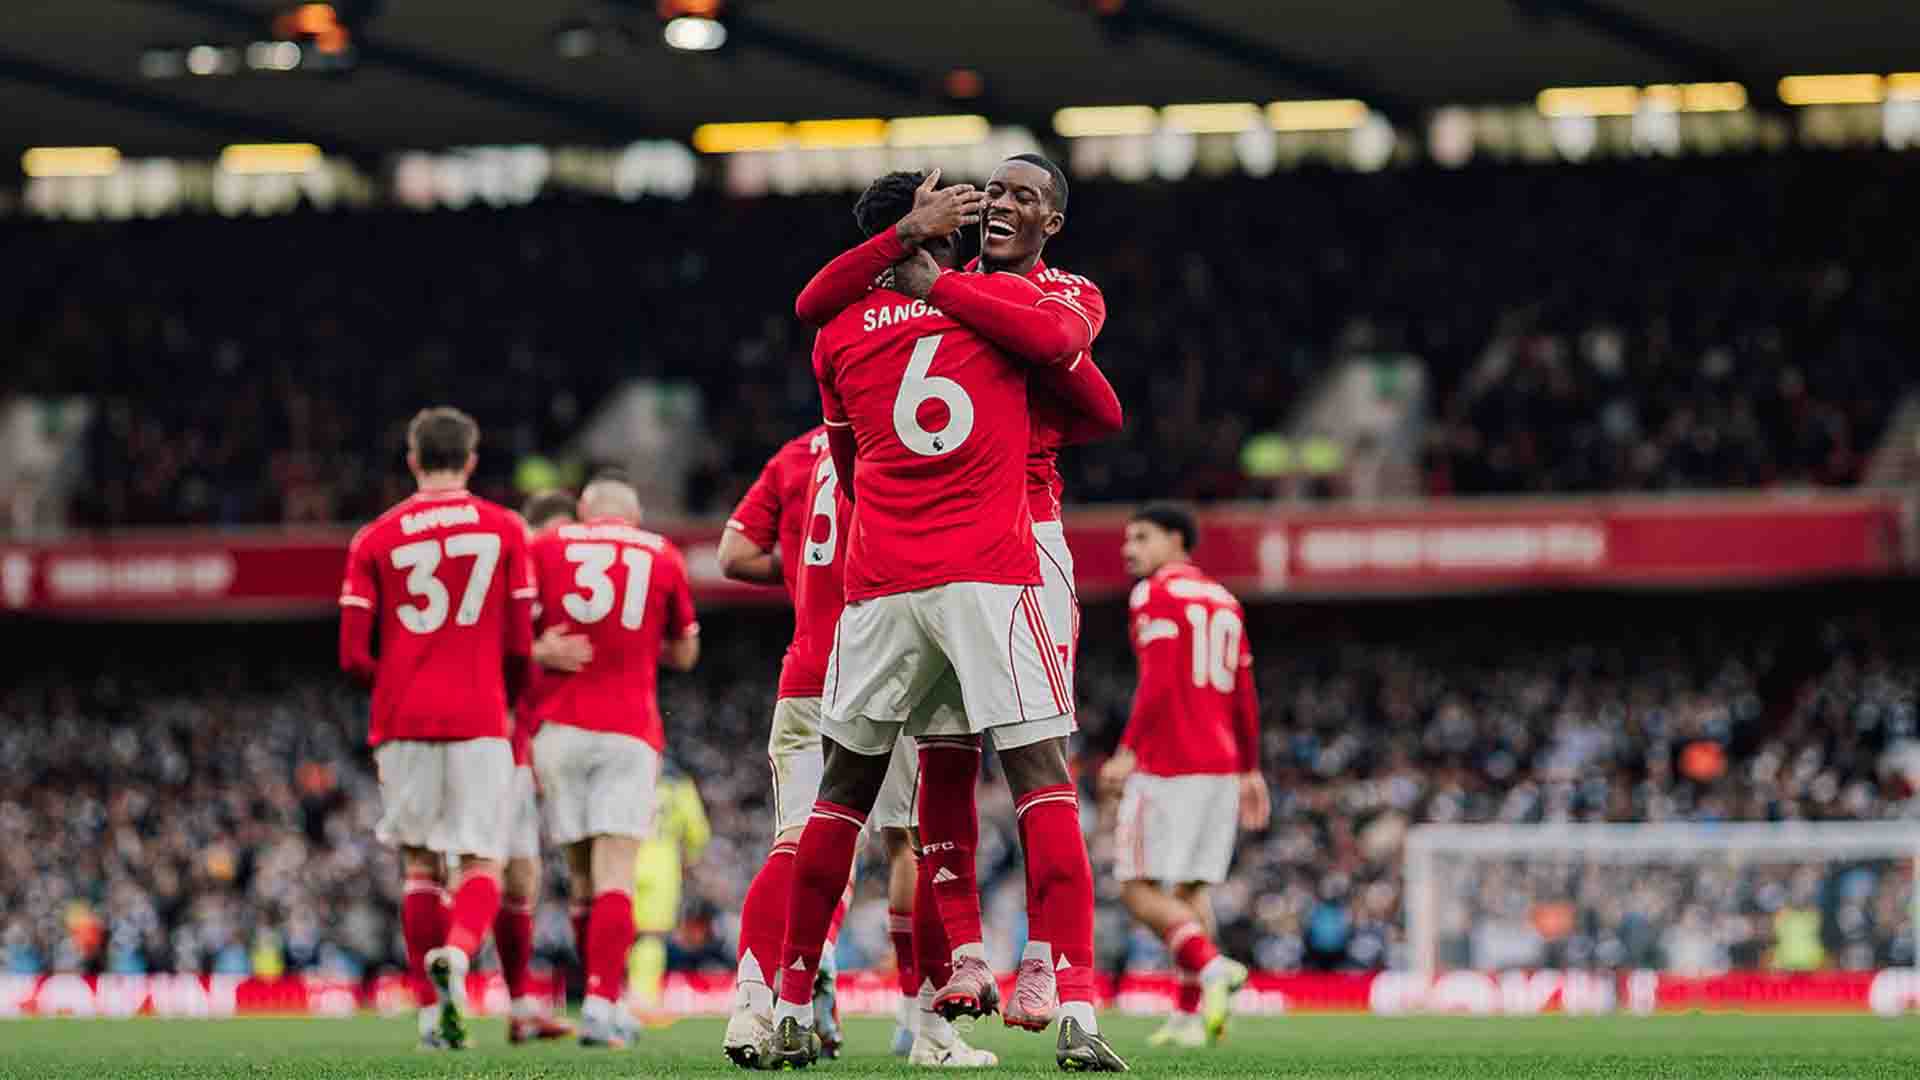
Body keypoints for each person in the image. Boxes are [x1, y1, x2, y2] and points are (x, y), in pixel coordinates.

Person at [769, 169, 1126, 1072]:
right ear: (938, 230)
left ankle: (794, 996)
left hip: (897, 572)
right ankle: (1010, 969)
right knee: (1011, 765)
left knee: (858, 790)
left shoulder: (860, 328)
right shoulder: (994, 309)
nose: (994, 208)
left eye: (1014, 196)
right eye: (978, 199)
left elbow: (819, 313)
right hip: (995, 555)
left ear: (1051, 218)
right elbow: (1104, 409)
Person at [716, 428, 938, 1064]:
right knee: (907, 839)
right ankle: (913, 1014)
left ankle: (754, 1002)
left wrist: (801, 569)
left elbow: (732, 555)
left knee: (798, 840)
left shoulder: (790, 455)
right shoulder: (903, 438)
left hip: (807, 671)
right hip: (889, 670)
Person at [337, 406, 537, 1050]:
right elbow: (518, 646)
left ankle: (429, 1013)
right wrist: (500, 692)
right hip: (480, 715)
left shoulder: (374, 537)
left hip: (402, 718)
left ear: (413, 459)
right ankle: (456, 951)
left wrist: (396, 684)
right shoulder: (507, 529)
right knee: (482, 857)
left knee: (419, 864)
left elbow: (351, 654)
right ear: (472, 460)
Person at [525, 472, 700, 1047]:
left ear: (582, 509)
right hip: (627, 730)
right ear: (635, 512)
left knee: (580, 880)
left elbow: (504, 626)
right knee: (615, 877)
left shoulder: (546, 546)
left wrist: (537, 649)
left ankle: (599, 999)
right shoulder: (661, 552)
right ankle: (604, 1003)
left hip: (558, 730)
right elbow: (686, 650)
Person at [1100, 503, 1269, 1047]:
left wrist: (1128, 749)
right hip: (1221, 767)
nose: (1130, 550)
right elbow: (1244, 694)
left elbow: (1159, 679)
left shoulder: (1155, 594)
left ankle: (1213, 965)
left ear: (1176, 540)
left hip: (1171, 762)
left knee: (1135, 887)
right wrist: (1250, 768)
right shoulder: (1225, 600)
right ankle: (1191, 1017)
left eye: (1141, 538)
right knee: (1192, 888)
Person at [498, 489, 592, 1044]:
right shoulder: (509, 574)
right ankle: (440, 1001)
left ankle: (517, 1004)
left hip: (516, 743)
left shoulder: (553, 592)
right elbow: (469, 643)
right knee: (468, 872)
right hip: (479, 740)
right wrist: (535, 652)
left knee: (519, 875)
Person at [628, 764, 711, 1012]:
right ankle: (642, 997)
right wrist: (690, 857)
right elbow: (697, 832)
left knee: (620, 927)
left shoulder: (627, 776)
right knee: (651, 935)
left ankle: (607, 992)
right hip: (662, 865)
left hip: (624, 857)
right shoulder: (679, 785)